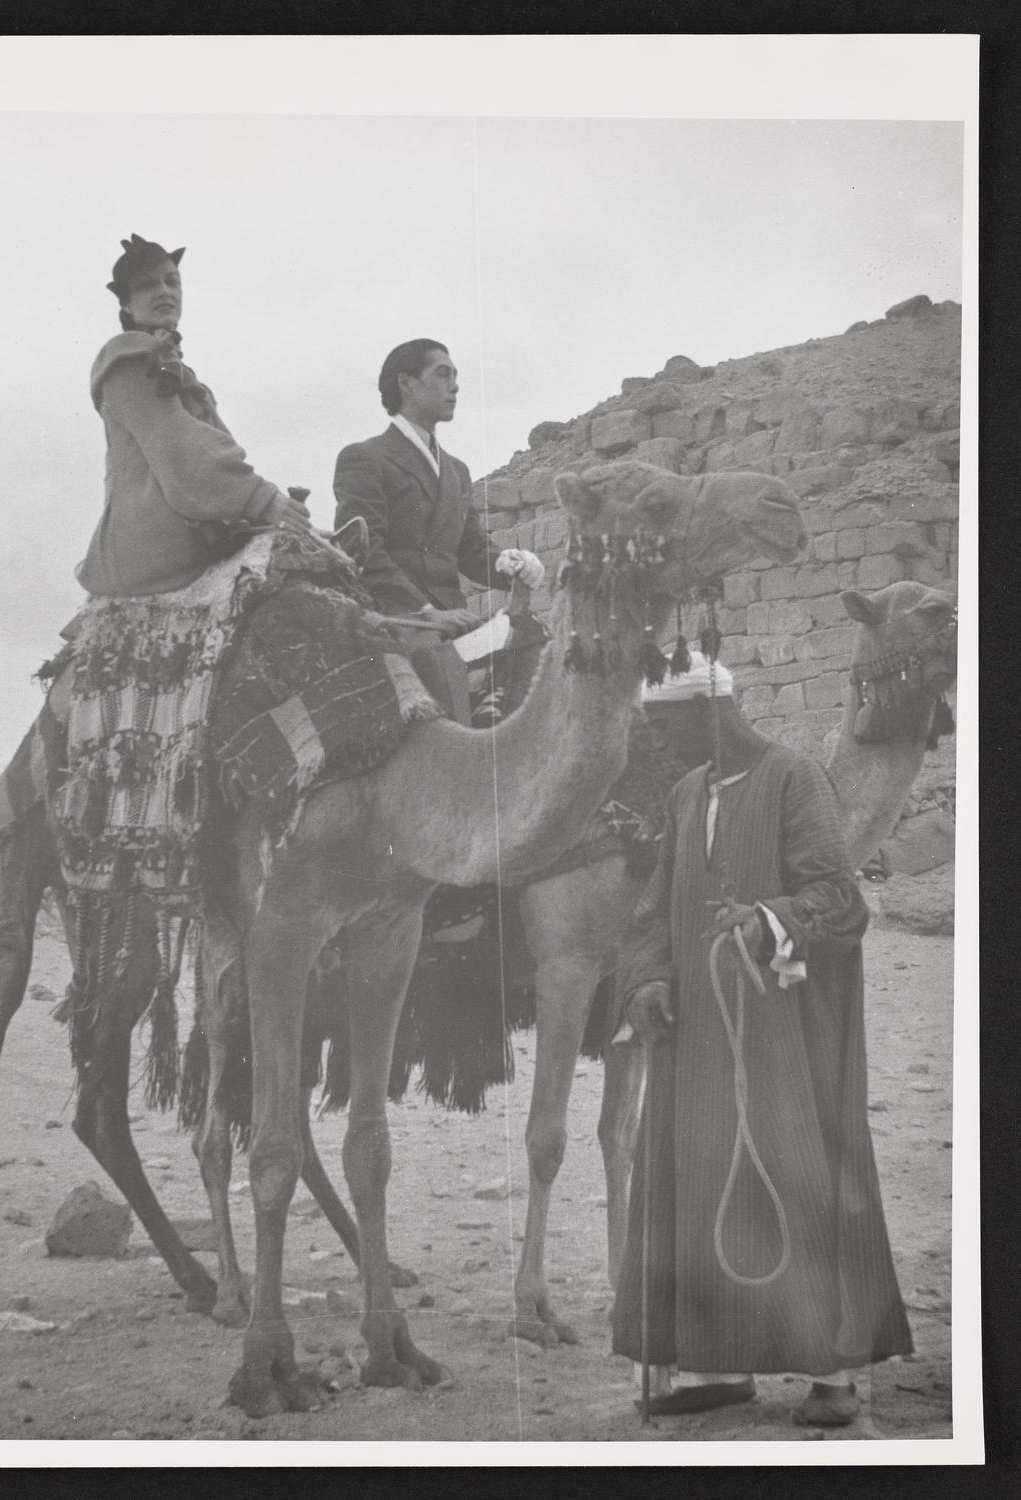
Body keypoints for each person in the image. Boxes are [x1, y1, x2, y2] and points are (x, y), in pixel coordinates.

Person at [612, 652, 912, 1427]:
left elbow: (839, 901)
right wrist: (646, 977)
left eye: (666, 724)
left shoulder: (793, 777)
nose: (660, 741)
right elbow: (651, 908)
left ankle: (832, 1376)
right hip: (697, 1034)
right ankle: (718, 1364)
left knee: (797, 1178)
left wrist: (768, 917)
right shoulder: (685, 794)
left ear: (713, 711)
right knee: (702, 1179)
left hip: (780, 1028)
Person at [76, 233, 311, 598]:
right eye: (147, 285)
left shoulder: (173, 365)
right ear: (126, 305)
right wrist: (263, 501)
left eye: (172, 281)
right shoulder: (126, 361)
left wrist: (258, 505)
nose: (164, 292)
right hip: (147, 553)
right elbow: (180, 448)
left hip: (187, 536)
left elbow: (215, 444)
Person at [332, 339, 544, 638]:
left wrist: (509, 563)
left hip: (452, 617)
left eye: (455, 376)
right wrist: (427, 612)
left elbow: (470, 550)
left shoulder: (456, 471)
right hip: (396, 620)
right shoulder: (365, 458)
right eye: (443, 374)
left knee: (534, 639)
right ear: (406, 383)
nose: (455, 386)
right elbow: (364, 552)